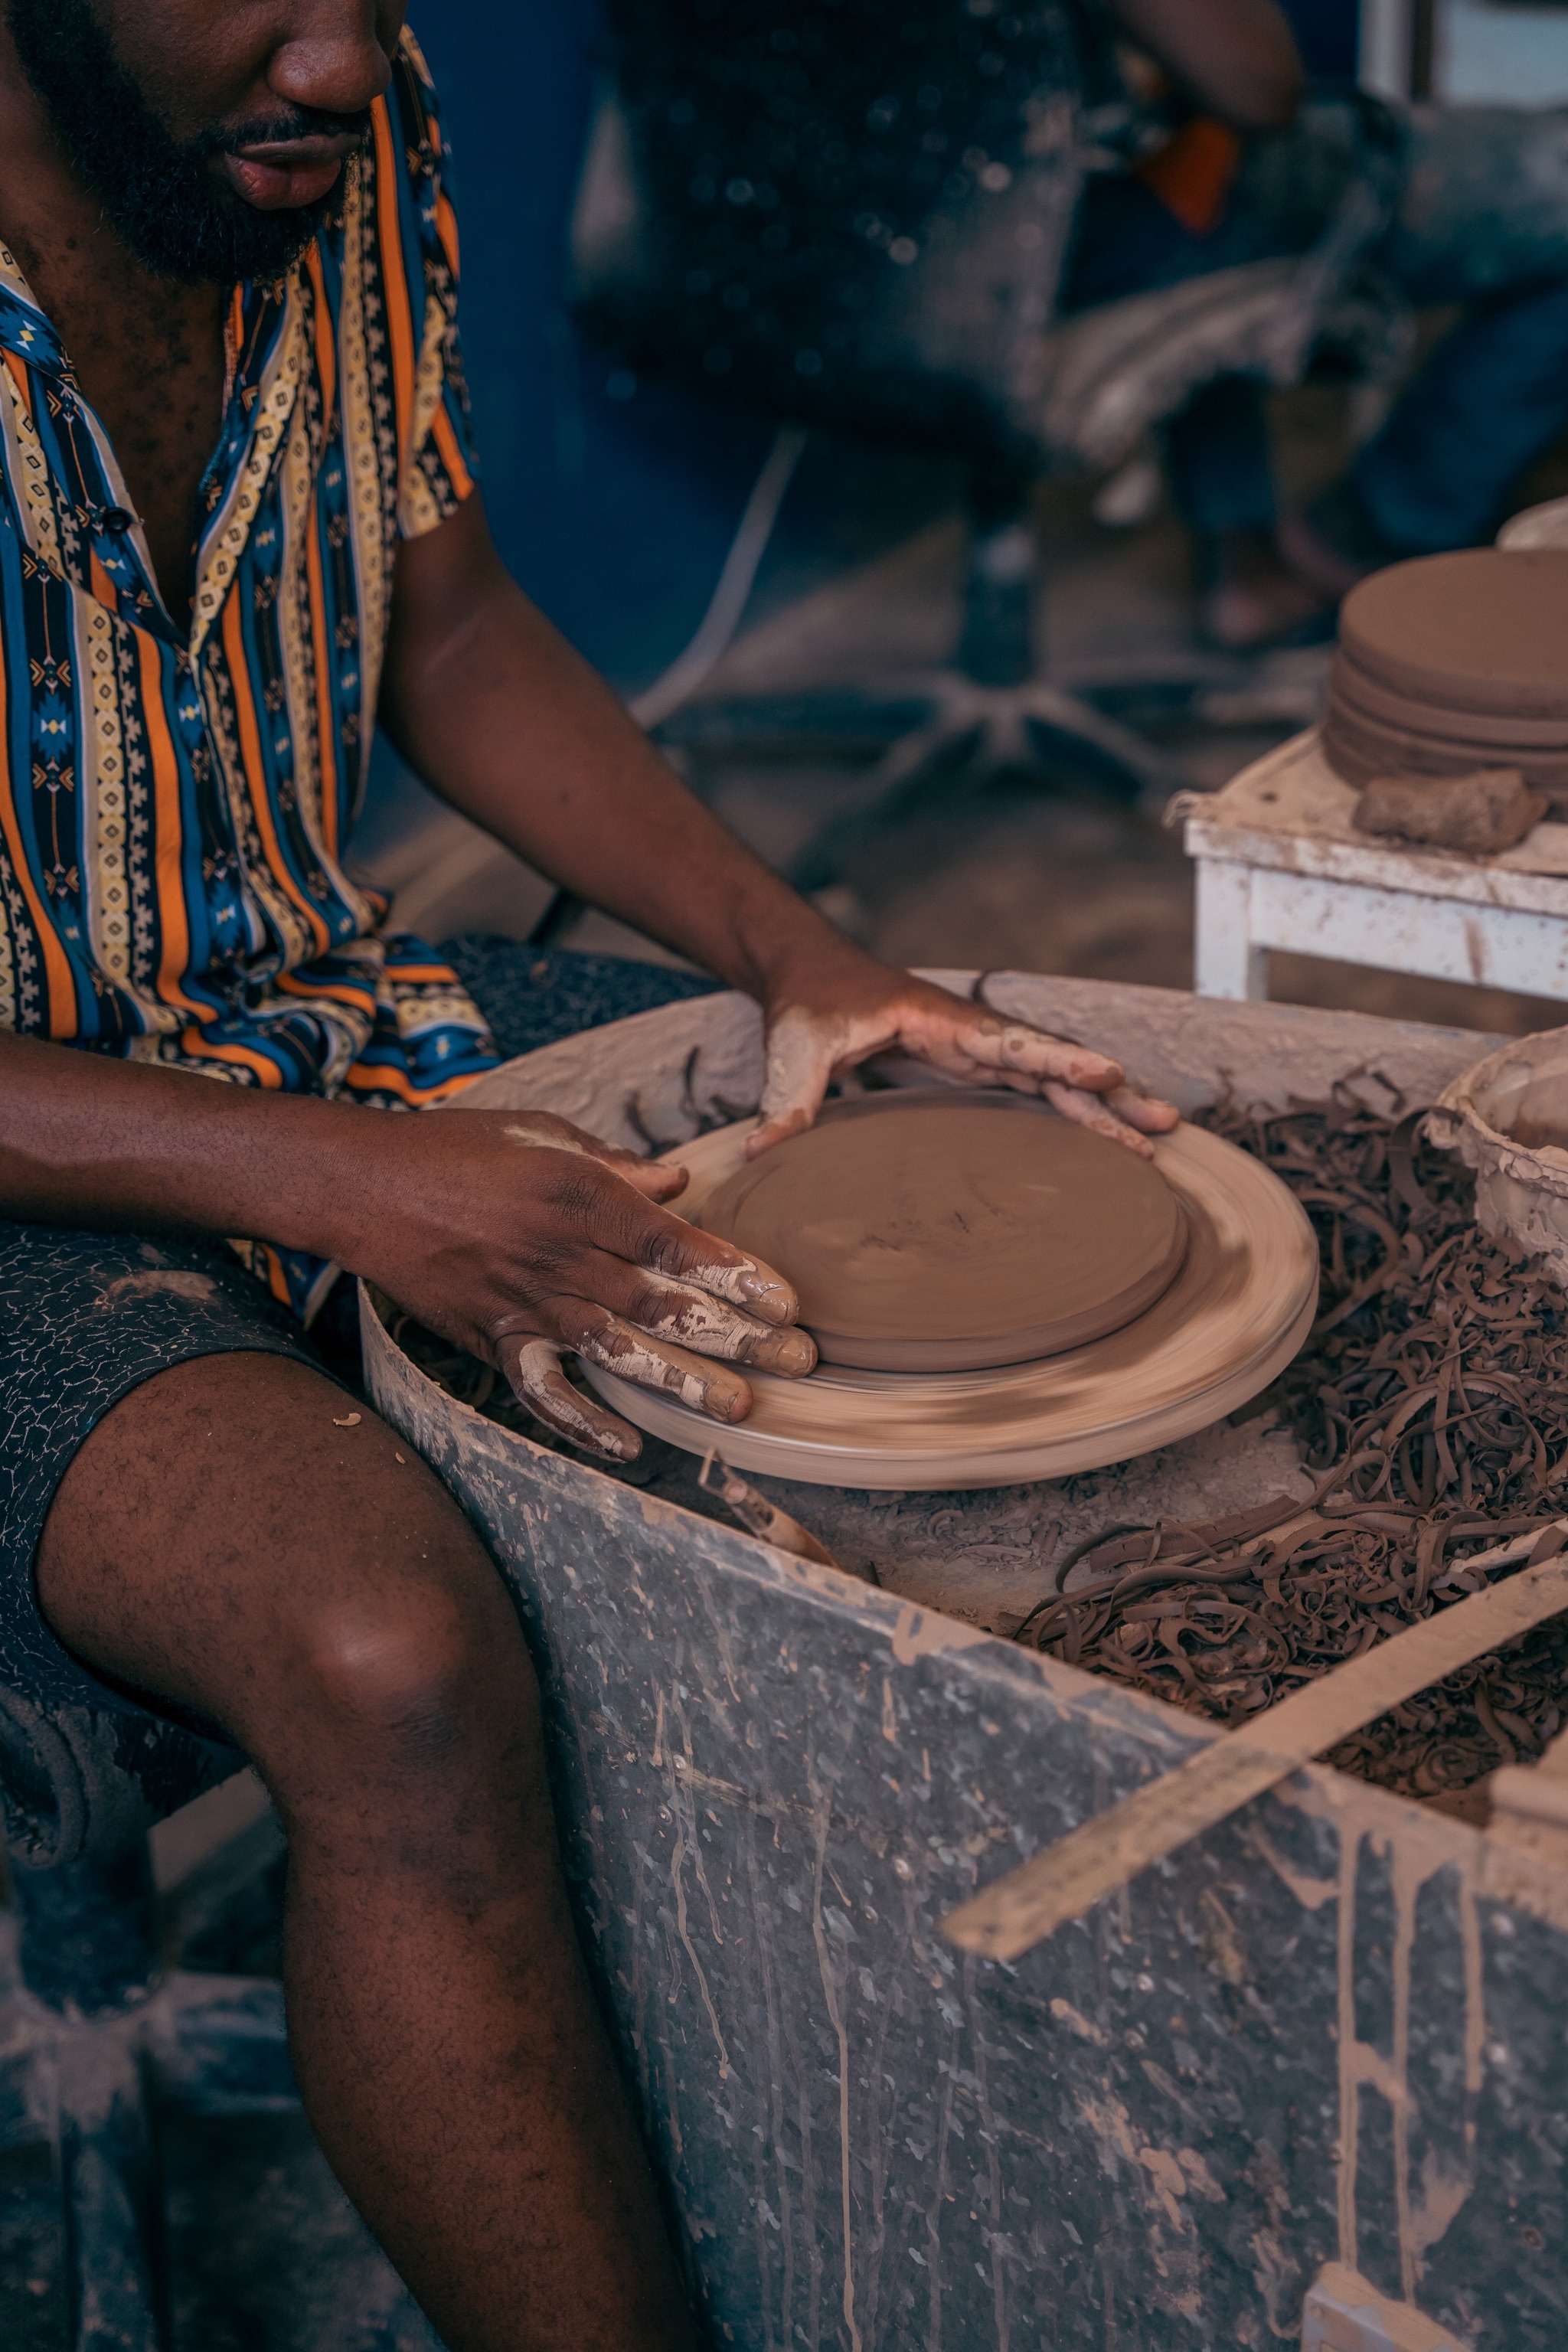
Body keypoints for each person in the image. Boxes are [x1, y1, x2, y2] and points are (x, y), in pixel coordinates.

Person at [0, 4, 1179, 2346]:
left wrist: (804, 958)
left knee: (928, 1193)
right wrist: (345, 1184)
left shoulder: (328, 112)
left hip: (292, 1014)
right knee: (387, 1645)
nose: (341, 62)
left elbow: (449, 621)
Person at [1065, 0, 1568, 648]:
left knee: (1195, 143)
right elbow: (1260, 90)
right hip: (1112, 235)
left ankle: (1247, 560)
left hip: (952, 276)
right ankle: (1368, 537)